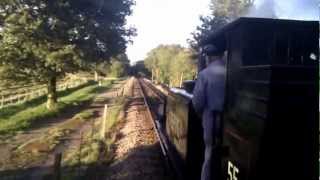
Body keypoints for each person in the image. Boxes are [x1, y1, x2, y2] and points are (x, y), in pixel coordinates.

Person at [192, 44, 226, 180]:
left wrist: (200, 114)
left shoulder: (205, 74)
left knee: (209, 154)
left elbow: (198, 102)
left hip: (211, 120)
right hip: (229, 121)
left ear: (208, 57)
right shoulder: (230, 71)